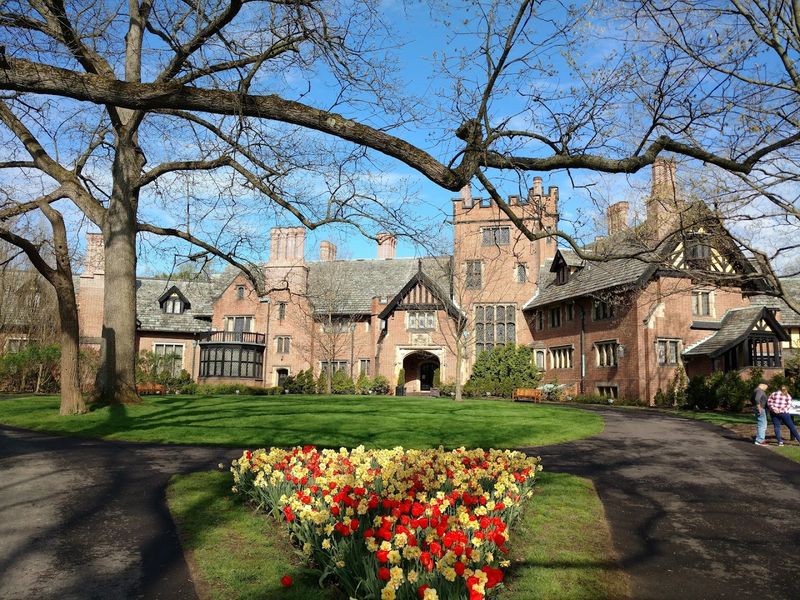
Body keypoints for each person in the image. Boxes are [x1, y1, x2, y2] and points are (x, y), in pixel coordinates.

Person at [751, 379, 769, 446]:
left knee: (761, 424)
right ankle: (760, 440)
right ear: (763, 385)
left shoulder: (756, 390)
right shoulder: (759, 390)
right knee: (762, 425)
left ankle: (759, 439)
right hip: (760, 409)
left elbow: (752, 399)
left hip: (758, 408)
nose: (767, 388)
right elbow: (756, 399)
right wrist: (759, 407)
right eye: (767, 386)